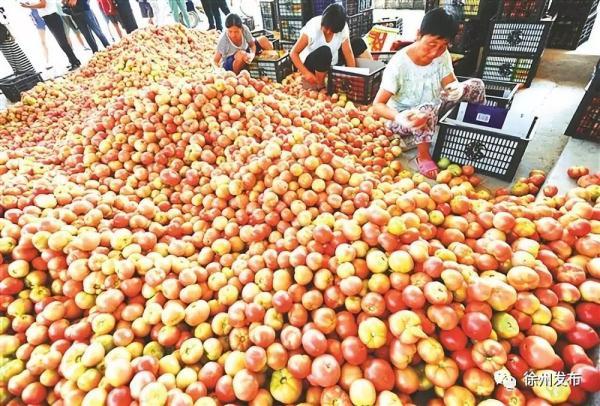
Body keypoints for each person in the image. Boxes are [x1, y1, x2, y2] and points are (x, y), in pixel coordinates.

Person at [373, 8, 485, 179]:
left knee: (476, 85)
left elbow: (450, 82)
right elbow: (377, 105)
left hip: (434, 109)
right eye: (432, 44)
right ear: (418, 34)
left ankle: (470, 131)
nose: (435, 52)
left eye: (443, 46)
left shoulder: (442, 55)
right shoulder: (399, 64)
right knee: (426, 109)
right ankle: (423, 156)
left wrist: (457, 89)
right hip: (406, 120)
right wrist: (399, 117)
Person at [290, 3, 370, 90]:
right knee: (325, 51)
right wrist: (306, 73)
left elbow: (348, 52)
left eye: (332, 30)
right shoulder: (313, 28)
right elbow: (293, 53)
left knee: (358, 43)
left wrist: (353, 76)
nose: (328, 32)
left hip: (332, 64)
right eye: (326, 28)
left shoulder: (342, 28)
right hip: (312, 65)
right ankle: (320, 86)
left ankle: (370, 77)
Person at [21, 0, 82, 70]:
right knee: (62, 42)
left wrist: (28, 6)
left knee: (62, 42)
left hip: (51, 18)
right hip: (51, 18)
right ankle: (74, 61)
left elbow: (43, 5)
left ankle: (74, 62)